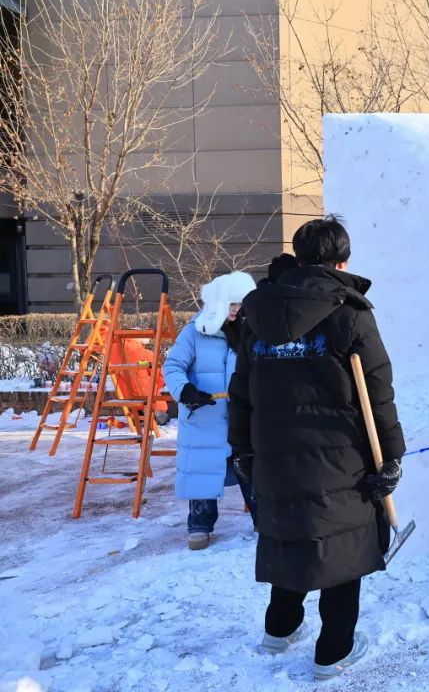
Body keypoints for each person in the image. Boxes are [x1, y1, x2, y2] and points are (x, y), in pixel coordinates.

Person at [228, 216, 405, 680]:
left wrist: (242, 450)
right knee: (340, 545)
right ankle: (334, 652)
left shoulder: (257, 314)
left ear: (301, 257)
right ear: (342, 260)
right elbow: (377, 390)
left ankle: (279, 629)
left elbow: (241, 391)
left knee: (291, 535)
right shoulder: (349, 312)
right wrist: (391, 457)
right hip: (338, 457)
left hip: (274, 453)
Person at [163, 271, 257, 551]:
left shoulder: (255, 332)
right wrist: (186, 391)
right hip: (205, 416)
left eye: (241, 304)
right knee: (202, 471)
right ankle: (200, 524)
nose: (236, 310)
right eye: (231, 303)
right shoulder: (195, 331)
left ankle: (266, 520)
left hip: (244, 418)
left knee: (252, 469)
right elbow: (173, 366)